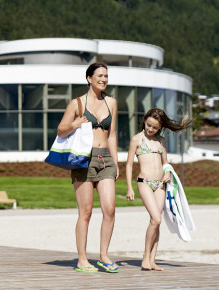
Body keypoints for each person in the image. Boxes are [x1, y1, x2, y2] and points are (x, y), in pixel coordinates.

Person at [56, 63, 120, 273]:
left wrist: (116, 162)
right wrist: (74, 125)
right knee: (86, 212)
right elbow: (61, 130)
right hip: (83, 159)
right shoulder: (77, 103)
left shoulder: (112, 102)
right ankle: (82, 259)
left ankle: (104, 256)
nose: (104, 79)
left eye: (106, 76)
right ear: (89, 78)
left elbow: (112, 135)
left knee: (109, 209)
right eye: (99, 75)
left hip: (106, 159)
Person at [125, 108, 192, 271]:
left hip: (160, 184)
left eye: (155, 127)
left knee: (157, 221)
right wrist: (129, 187)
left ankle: (152, 260)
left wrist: (168, 172)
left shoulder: (161, 141)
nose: (150, 129)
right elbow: (129, 165)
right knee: (156, 219)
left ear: (160, 127)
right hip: (145, 182)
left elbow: (165, 162)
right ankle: (145, 258)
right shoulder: (137, 139)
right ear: (144, 121)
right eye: (148, 125)